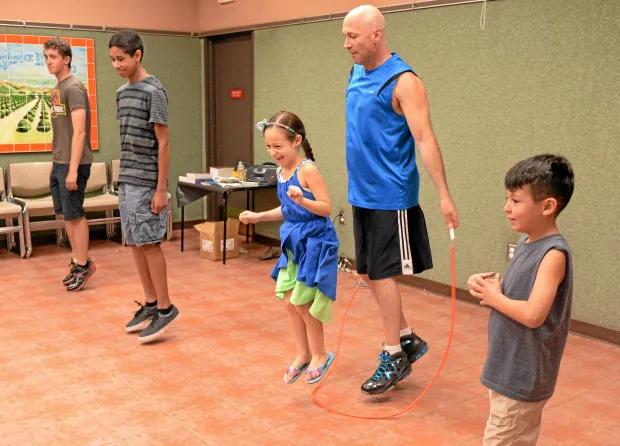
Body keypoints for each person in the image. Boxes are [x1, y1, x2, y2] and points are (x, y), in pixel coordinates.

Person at [342, 5, 459, 394]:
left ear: (376, 34)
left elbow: (424, 139)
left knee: (382, 273)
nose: (346, 45)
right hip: (361, 193)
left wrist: (443, 195)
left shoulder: (404, 81)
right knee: (366, 271)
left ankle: (394, 353)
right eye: (345, 36)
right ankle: (407, 336)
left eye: (352, 37)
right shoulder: (356, 72)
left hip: (391, 195)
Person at [468, 154, 574, 446]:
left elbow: (533, 314)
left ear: (547, 206)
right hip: (507, 366)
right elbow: (516, 296)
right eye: (507, 199)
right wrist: (489, 288)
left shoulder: (553, 254)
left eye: (515, 200)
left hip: (522, 374)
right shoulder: (528, 242)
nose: (506, 208)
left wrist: (494, 298)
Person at [240, 111, 339, 384]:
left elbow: (326, 207)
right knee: (288, 301)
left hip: (314, 241)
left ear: (296, 141)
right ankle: (303, 353)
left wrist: (304, 200)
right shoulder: (282, 172)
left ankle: (320, 354)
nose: (273, 152)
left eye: (278, 146)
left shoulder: (307, 169)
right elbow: (287, 209)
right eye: (269, 147)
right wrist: (258, 216)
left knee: (303, 302)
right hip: (293, 242)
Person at [109, 30, 179, 343]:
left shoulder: (155, 90)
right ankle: (150, 303)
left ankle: (165, 308)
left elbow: (163, 143)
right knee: (136, 243)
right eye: (112, 59)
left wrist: (160, 188)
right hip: (127, 179)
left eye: (121, 59)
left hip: (147, 181)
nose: (116, 65)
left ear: (137, 55)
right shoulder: (122, 93)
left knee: (150, 242)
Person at [44, 37, 96, 292]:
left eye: (53, 57)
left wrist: (73, 169)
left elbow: (79, 132)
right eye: (46, 57)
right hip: (60, 161)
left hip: (73, 163)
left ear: (66, 59)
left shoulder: (74, 87)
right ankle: (77, 260)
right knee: (66, 214)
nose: (48, 62)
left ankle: (85, 264)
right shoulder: (57, 87)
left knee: (75, 214)